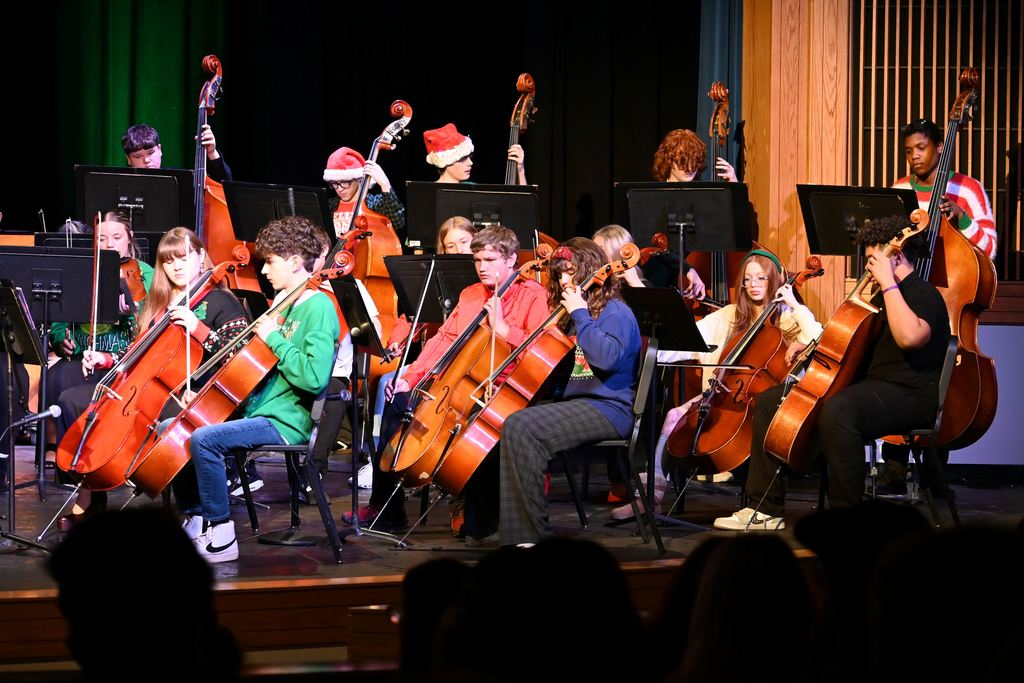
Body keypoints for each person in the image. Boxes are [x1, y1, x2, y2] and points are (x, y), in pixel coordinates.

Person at [713, 214, 950, 530]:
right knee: (772, 401)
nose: (867, 268)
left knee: (840, 410)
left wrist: (890, 283)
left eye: (872, 260)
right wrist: (814, 347)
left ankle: (846, 518)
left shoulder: (922, 294)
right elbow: (851, 344)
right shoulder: (882, 297)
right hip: (874, 388)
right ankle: (765, 509)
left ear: (896, 255)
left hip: (911, 395)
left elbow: (910, 337)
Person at [346, 226, 549, 531]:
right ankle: (387, 508)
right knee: (396, 401)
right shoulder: (471, 295)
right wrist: (410, 378)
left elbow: (537, 350)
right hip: (457, 383)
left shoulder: (531, 294)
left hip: (501, 390)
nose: (482, 267)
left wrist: (504, 329)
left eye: (490, 260)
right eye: (478, 260)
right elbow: (443, 340)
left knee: (475, 426)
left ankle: (471, 508)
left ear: (510, 259)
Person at [610, 248, 822, 519]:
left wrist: (795, 305)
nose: (754, 285)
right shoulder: (729, 316)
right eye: (748, 279)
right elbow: (685, 342)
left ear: (774, 280)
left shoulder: (790, 318)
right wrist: (649, 340)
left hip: (770, 406)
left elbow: (819, 338)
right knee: (675, 415)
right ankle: (651, 497)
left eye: (761, 279)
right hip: (728, 397)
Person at [55, 228, 247, 525]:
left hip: (198, 395)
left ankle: (182, 501)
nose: (177, 267)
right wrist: (107, 359)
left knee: (157, 420)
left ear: (200, 257)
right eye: (169, 261)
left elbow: (239, 357)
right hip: (150, 388)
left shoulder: (220, 300)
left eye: (184, 258)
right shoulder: (160, 304)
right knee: (73, 400)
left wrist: (198, 328)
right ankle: (91, 496)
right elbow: (141, 357)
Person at [178, 216, 339, 562]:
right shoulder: (283, 304)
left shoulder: (319, 306)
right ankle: (197, 519)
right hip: (260, 411)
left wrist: (275, 339)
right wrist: (204, 399)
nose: (264, 271)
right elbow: (249, 370)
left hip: (286, 422)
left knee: (204, 439)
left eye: (270, 262)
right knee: (176, 428)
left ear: (295, 262)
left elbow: (314, 377)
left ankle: (222, 535)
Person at [879, 117, 997, 494]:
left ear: (939, 149)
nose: (914, 156)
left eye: (921, 148)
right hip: (904, 295)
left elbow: (989, 247)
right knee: (892, 366)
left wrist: (959, 219)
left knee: (940, 378)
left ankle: (934, 464)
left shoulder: (968, 189)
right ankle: (892, 465)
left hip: (947, 301)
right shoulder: (899, 189)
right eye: (908, 150)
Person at [499, 238, 642, 547]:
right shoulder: (576, 312)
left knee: (522, 427)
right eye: (560, 274)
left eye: (570, 272)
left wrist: (578, 314)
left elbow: (606, 359)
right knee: (504, 420)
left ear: (590, 270)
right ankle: (498, 529)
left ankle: (530, 538)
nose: (564, 281)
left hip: (608, 408)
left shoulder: (615, 312)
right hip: (578, 404)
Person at [47, 212, 154, 518]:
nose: (109, 244)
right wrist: (60, 338)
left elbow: (151, 327)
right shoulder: (84, 270)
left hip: (123, 363)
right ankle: (76, 473)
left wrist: (131, 312)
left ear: (129, 239)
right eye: (101, 239)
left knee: (85, 395)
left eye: (116, 237)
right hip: (83, 356)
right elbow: (59, 316)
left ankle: (98, 473)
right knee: (58, 380)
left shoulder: (141, 274)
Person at [323, 146, 405, 237]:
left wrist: (385, 185)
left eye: (344, 182)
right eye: (334, 183)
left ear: (358, 179)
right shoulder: (329, 206)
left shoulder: (375, 204)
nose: (339, 188)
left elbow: (398, 222)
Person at [121, 123, 232, 182]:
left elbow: (222, 185)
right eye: (138, 156)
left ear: (159, 150)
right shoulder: (121, 183)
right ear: (128, 159)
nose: (146, 160)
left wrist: (212, 153)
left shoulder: (180, 179)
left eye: (150, 153)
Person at [423, 122, 527, 184]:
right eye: (463, 159)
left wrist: (520, 170)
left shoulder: (472, 189)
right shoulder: (428, 193)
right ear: (446, 162)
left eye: (470, 157)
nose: (470, 163)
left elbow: (521, 208)